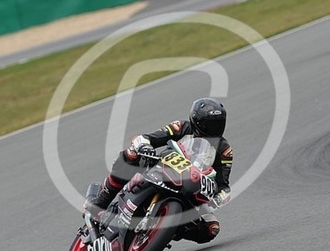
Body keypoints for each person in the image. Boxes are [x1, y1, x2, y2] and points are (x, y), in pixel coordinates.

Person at [84, 97, 233, 243]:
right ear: (197, 121)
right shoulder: (182, 127)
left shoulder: (224, 150)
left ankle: (166, 231)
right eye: (210, 124)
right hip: (163, 170)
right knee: (131, 154)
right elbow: (149, 138)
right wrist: (145, 146)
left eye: (219, 124)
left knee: (211, 229)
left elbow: (223, 186)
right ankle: (101, 202)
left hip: (191, 188)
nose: (215, 129)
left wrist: (217, 199)